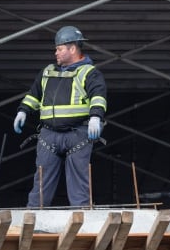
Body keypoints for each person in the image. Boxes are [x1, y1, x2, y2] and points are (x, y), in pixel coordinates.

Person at [13, 26, 107, 208]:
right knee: (41, 182)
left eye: (59, 48)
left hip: (78, 134)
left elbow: (98, 96)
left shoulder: (89, 73)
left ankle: (81, 220)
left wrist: (96, 117)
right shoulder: (48, 72)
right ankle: (34, 218)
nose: (56, 52)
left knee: (79, 184)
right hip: (49, 135)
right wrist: (23, 110)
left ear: (72, 49)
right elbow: (34, 94)